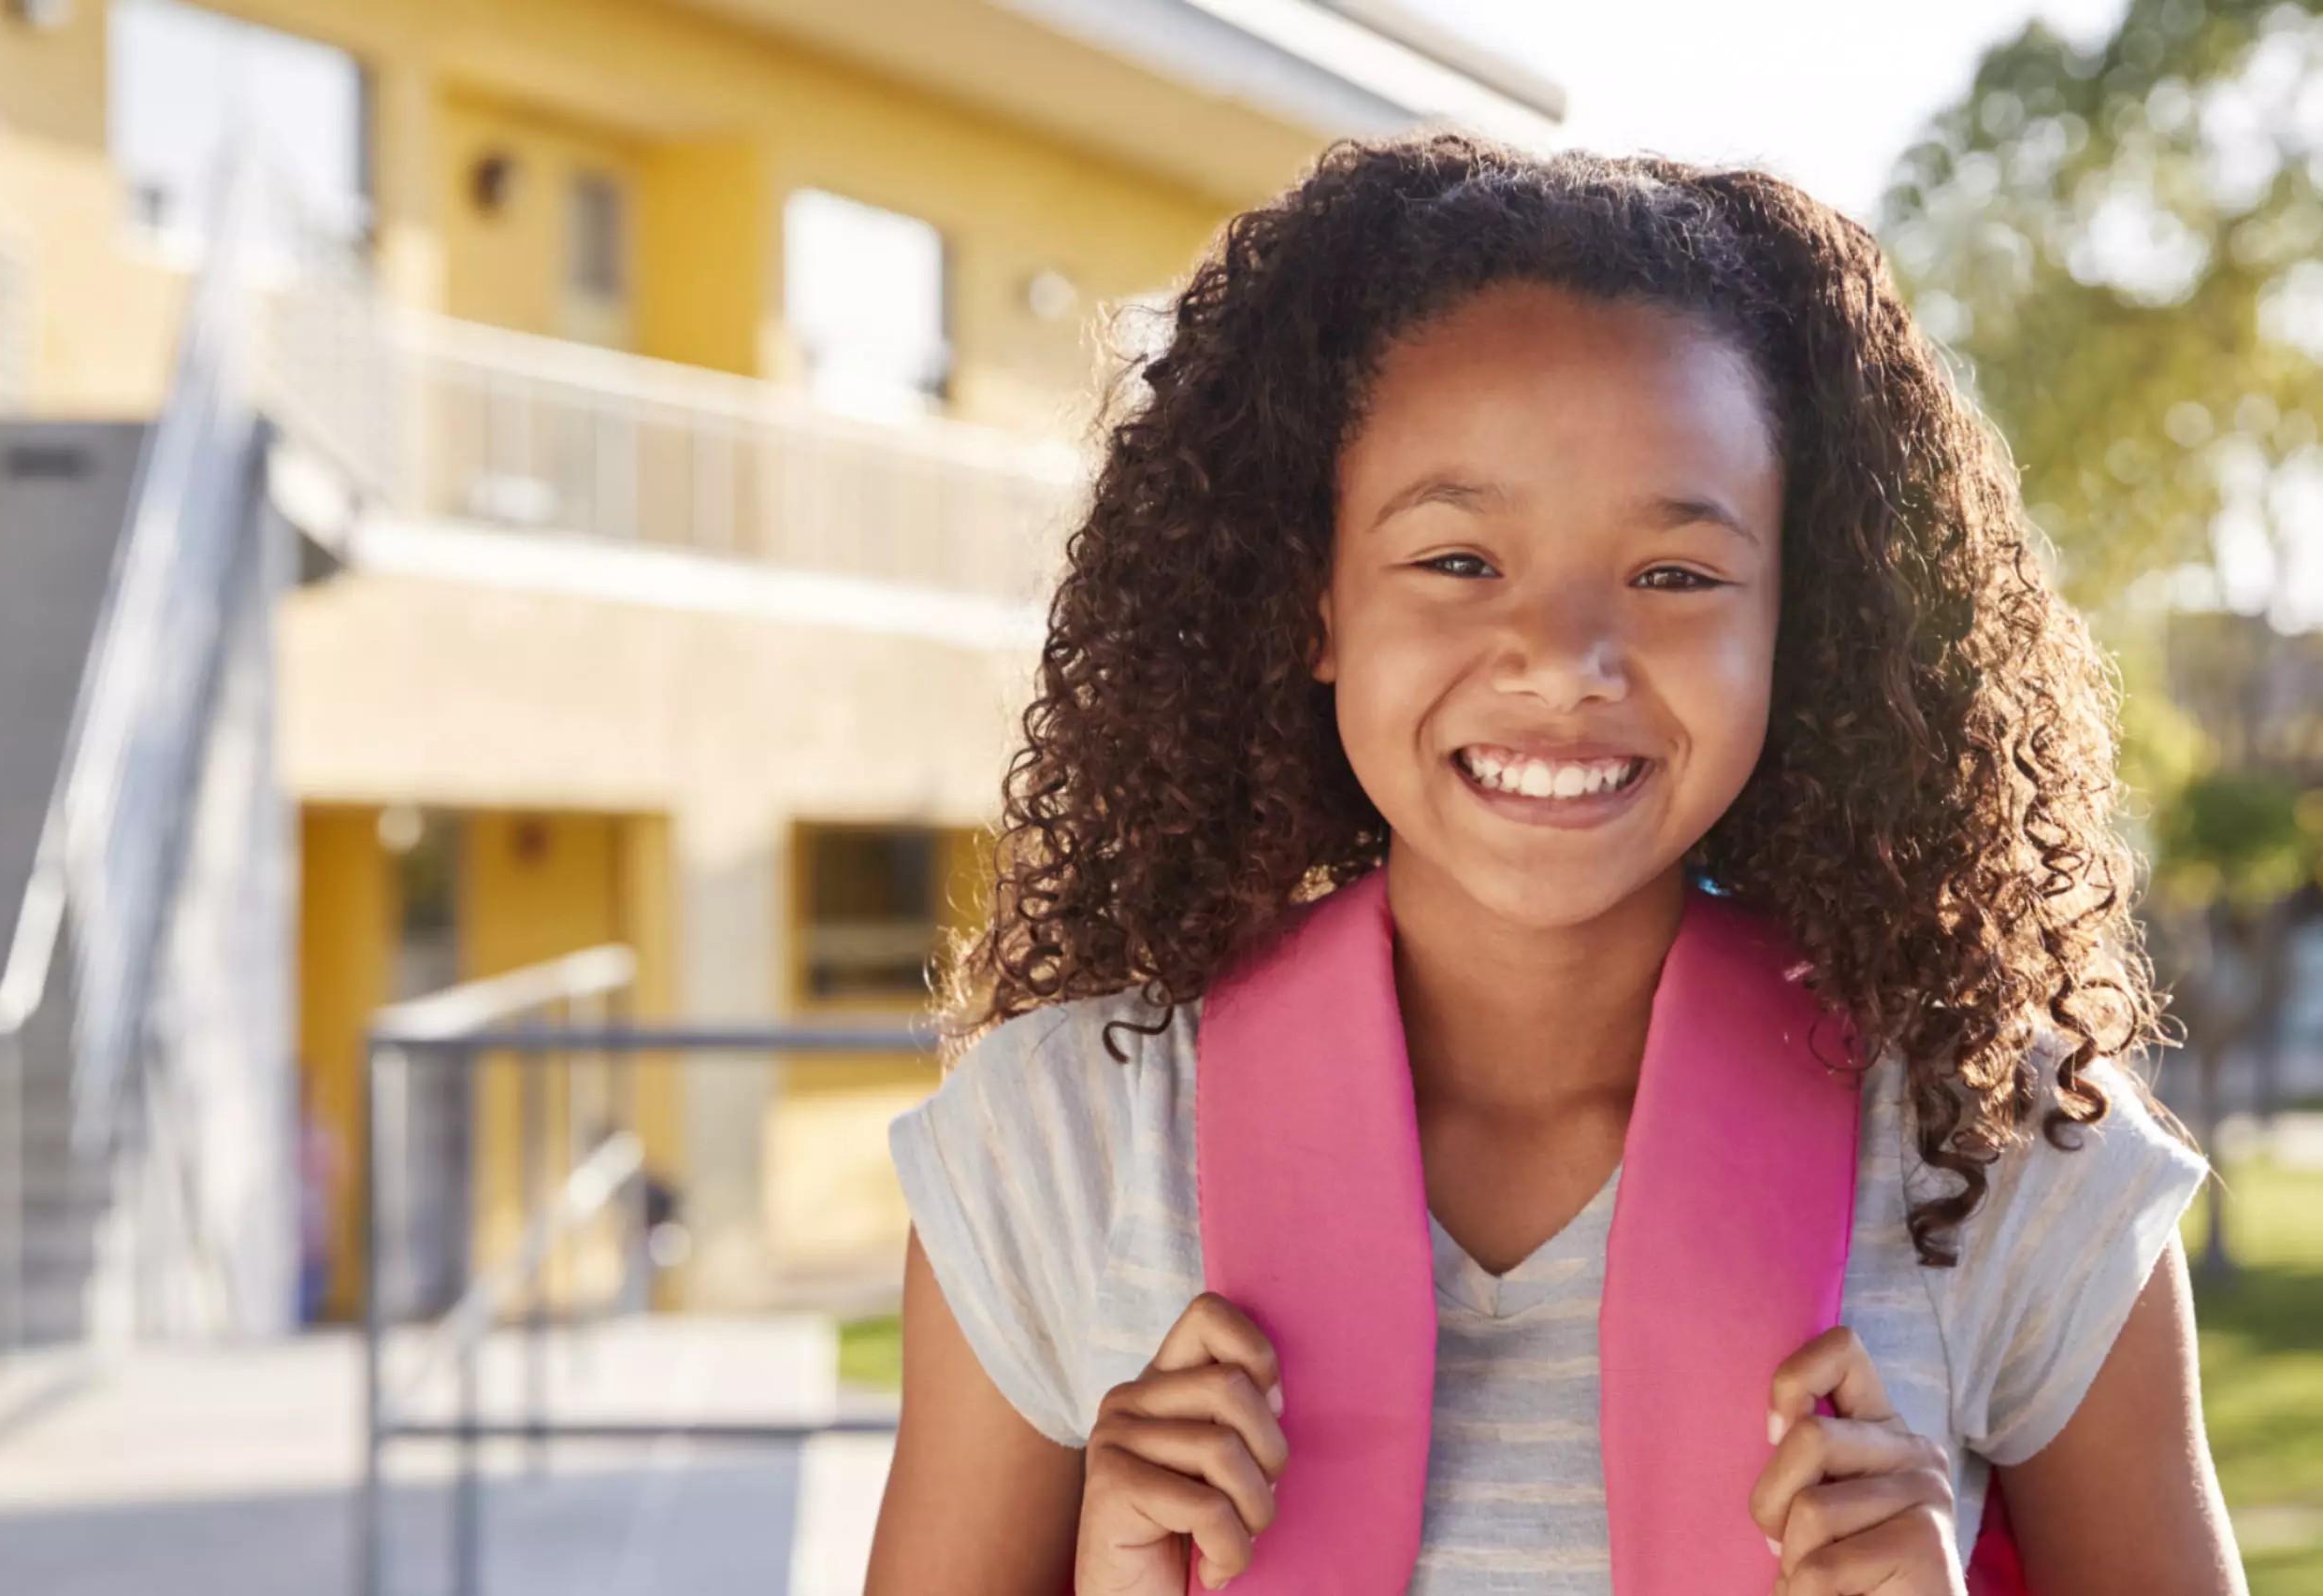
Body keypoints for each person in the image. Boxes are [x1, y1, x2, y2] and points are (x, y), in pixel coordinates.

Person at [863, 137, 2242, 1596]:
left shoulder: (2004, 1155)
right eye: (1460, 560)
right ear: (1314, 600)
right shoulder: (1058, 1148)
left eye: (1675, 575)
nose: (1564, 660)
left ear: (1802, 624)